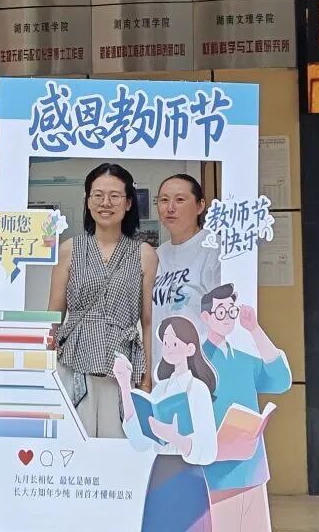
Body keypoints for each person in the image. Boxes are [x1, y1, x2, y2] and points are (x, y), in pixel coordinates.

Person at [49, 162, 158, 438]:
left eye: (114, 196)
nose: (105, 202)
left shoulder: (144, 254)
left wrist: (147, 378)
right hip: (73, 364)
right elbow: (53, 317)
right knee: (73, 444)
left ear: (129, 203)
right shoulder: (70, 249)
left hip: (123, 368)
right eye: (97, 195)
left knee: (121, 447)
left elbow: (147, 321)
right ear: (87, 201)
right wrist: (45, 370)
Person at [200, 283, 291, 532]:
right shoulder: (196, 362)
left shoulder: (244, 360)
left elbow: (282, 380)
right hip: (217, 471)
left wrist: (254, 329)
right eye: (220, 311)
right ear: (205, 317)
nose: (227, 318)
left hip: (252, 468)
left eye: (231, 311)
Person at [113, 317, 218, 532]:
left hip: (190, 475)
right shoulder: (160, 390)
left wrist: (175, 438)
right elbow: (140, 441)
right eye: (166, 343)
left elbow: (209, 450)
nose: (169, 348)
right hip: (160, 472)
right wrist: (124, 385)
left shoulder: (198, 389)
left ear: (190, 348)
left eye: (175, 343)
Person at [153, 174, 221, 368]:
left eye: (180, 200)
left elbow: (225, 319)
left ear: (200, 206)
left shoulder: (215, 250)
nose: (170, 208)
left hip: (201, 368)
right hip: (163, 368)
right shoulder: (158, 255)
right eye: (164, 200)